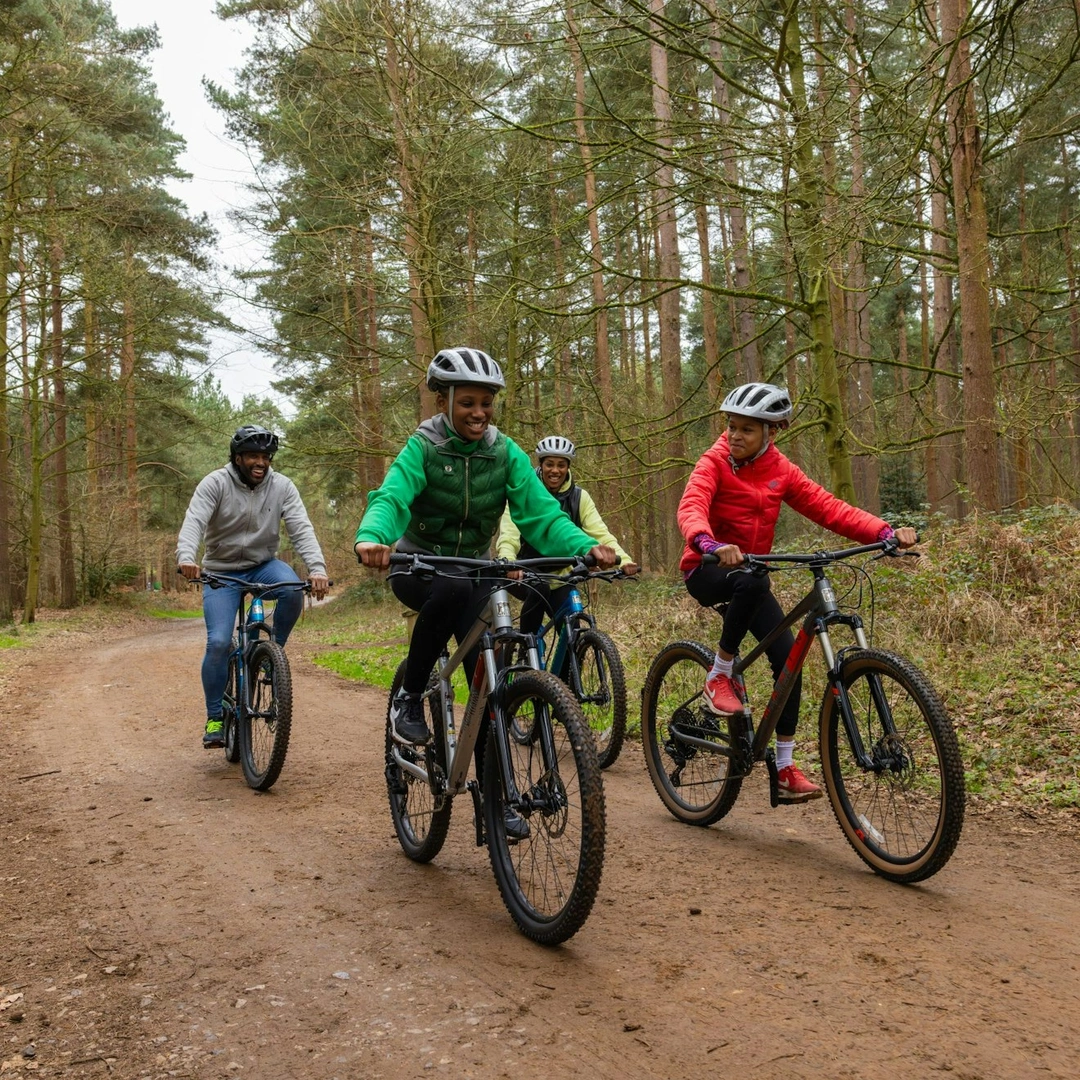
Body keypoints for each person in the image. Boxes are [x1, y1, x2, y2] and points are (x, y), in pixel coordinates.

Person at [353, 347, 618, 758]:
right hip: (418, 565)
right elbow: (392, 497)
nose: (479, 412)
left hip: (474, 567)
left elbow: (542, 514)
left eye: (486, 403)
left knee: (486, 688)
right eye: (467, 403)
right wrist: (372, 537)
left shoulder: (504, 452)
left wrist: (585, 546)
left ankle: (499, 805)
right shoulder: (423, 447)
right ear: (443, 402)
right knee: (451, 591)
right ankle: (409, 695)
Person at [677, 382, 917, 803]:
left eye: (747, 430)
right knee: (752, 580)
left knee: (790, 660)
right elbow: (692, 505)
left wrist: (884, 532)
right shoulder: (713, 462)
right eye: (731, 426)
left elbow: (829, 507)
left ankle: (785, 767)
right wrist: (708, 543)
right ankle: (719, 674)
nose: (734, 436)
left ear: (773, 431)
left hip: (752, 574)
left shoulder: (781, 470)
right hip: (708, 568)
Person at [177, 425, 330, 749]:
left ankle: (271, 655)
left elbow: (301, 528)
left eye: (265, 457)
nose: (260, 462)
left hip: (263, 565)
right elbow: (194, 521)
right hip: (221, 572)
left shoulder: (282, 487)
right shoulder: (215, 483)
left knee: (291, 589)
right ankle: (215, 716)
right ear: (237, 458)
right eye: (252, 456)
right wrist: (186, 557)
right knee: (218, 643)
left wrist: (317, 569)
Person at [496, 435, 638, 635]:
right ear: (541, 465)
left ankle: (570, 664)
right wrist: (508, 561)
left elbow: (600, 533)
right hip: (526, 570)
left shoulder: (580, 497)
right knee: (541, 587)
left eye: (561, 465)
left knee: (572, 630)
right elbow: (509, 534)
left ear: (568, 467)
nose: (555, 470)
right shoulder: (525, 494)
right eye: (550, 464)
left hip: (562, 575)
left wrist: (623, 560)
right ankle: (526, 652)